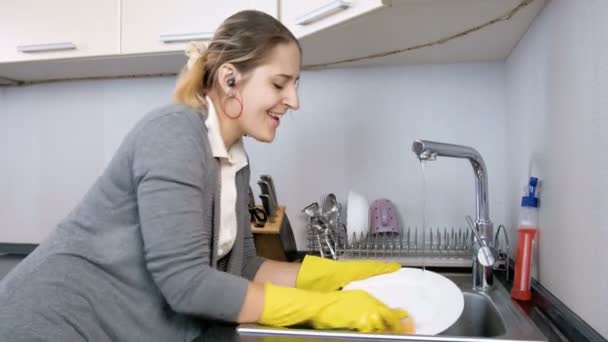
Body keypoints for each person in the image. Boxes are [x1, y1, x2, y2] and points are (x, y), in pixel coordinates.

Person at [0, 10, 413, 341]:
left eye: (295, 85)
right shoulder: (174, 133)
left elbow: (243, 266)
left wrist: (334, 277)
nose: (294, 101)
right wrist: (322, 309)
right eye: (280, 84)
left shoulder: (234, 159)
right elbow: (186, 283)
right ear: (230, 79)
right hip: (51, 322)